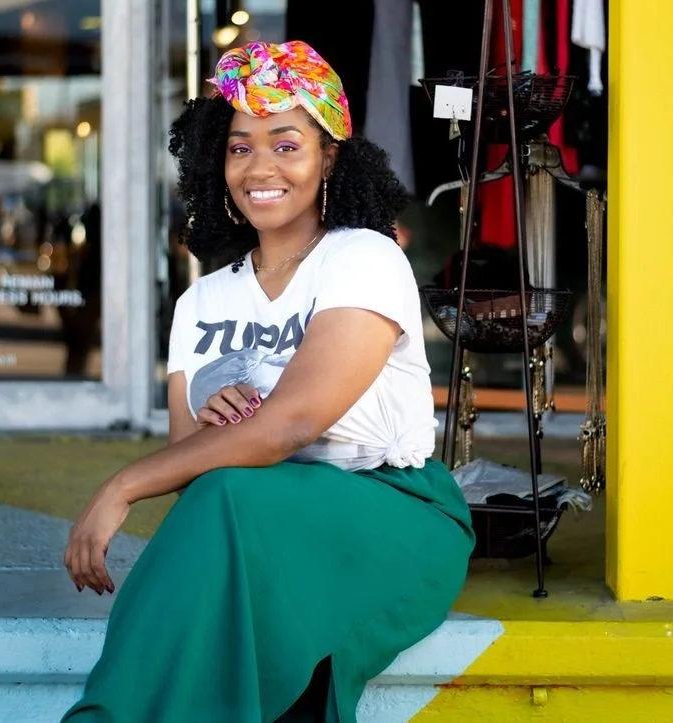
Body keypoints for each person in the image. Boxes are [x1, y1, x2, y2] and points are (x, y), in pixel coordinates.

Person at [61, 40, 474, 722]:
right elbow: (196, 474)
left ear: (329, 155)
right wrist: (218, 424)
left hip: (392, 511)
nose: (260, 167)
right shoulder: (202, 303)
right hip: (258, 519)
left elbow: (290, 426)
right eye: (239, 146)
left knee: (234, 499)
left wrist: (122, 484)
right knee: (225, 496)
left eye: (287, 144)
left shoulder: (363, 258)